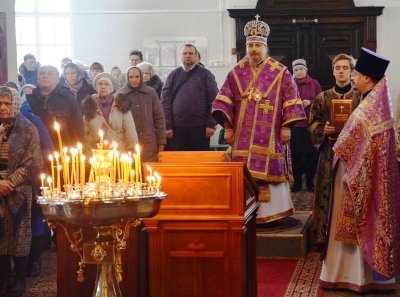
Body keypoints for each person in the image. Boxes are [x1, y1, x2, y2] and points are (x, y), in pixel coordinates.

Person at [319, 48, 400, 292]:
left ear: (367, 78)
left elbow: (351, 146)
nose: (352, 77)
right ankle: (362, 275)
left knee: (358, 226)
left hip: (356, 179)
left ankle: (353, 275)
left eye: (356, 73)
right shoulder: (376, 104)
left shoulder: (368, 110)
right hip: (361, 176)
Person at [211, 15, 306, 223]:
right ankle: (247, 212)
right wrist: (227, 127)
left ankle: (273, 213)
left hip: (271, 133)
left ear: (265, 47)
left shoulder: (280, 72)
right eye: (251, 45)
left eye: (257, 45)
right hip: (242, 135)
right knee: (245, 172)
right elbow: (224, 101)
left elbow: (291, 99)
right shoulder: (236, 72)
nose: (254, 49)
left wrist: (287, 126)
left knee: (271, 172)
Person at [308, 54, 361, 249]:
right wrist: (324, 130)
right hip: (329, 152)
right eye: (337, 67)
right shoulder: (323, 97)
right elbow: (313, 123)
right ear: (333, 71)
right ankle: (324, 237)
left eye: (345, 68)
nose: (341, 71)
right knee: (327, 192)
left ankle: (353, 236)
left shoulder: (359, 96)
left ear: (351, 71)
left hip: (353, 155)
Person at [0, 86, 43, 297]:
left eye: (7, 103)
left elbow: (33, 164)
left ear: (15, 104)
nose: (3, 107)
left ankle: (19, 279)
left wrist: (8, 183)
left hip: (19, 190)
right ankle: (3, 278)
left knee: (19, 235)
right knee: (0, 236)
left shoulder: (28, 129)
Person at [161, 44, 218, 151]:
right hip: (176, 128)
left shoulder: (206, 74)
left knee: (199, 163)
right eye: (185, 53)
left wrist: (211, 124)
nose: (188, 55)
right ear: (180, 56)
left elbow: (214, 100)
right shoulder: (173, 75)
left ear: (196, 56)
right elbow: (165, 101)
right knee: (178, 163)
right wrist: (167, 125)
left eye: (191, 53)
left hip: (200, 128)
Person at [26, 65, 85, 151]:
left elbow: (78, 130)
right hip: (36, 153)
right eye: (42, 73)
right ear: (37, 78)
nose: (45, 76)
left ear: (58, 79)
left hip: (63, 151)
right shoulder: (29, 100)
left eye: (50, 73)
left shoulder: (68, 99)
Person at [81, 73, 138, 154]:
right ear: (96, 87)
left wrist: (132, 151)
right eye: (100, 84)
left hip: (117, 153)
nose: (103, 86)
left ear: (112, 88)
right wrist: (85, 151)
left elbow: (130, 131)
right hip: (95, 153)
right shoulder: (90, 105)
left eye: (106, 84)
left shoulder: (121, 105)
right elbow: (85, 131)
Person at [118, 66, 166, 162]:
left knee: (148, 170)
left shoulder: (150, 93)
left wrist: (161, 141)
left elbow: (159, 117)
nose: (134, 80)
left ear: (141, 77)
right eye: (131, 77)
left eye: (137, 76)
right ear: (127, 78)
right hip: (128, 140)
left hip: (148, 140)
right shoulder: (121, 94)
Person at [290, 59, 322, 192]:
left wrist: (310, 102)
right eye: (296, 70)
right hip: (295, 125)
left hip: (310, 126)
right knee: (295, 156)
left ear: (306, 70)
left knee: (311, 156)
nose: (298, 72)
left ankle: (310, 183)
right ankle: (297, 184)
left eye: (301, 69)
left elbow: (321, 100)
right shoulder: (290, 84)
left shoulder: (314, 83)